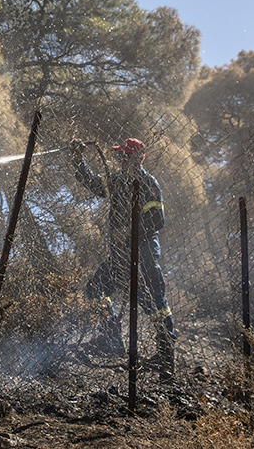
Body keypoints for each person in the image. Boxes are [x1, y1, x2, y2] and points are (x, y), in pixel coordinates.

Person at [71, 137, 176, 380]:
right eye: (119, 156)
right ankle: (112, 339)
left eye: (125, 156)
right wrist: (78, 160)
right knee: (96, 290)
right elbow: (94, 184)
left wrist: (128, 230)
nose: (120, 160)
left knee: (156, 306)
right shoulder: (117, 181)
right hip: (119, 256)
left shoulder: (148, 183)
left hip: (144, 256)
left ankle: (166, 356)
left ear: (138, 158)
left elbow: (156, 220)